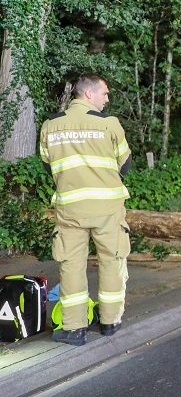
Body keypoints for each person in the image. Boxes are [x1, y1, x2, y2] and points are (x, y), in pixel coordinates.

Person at [39, 73, 132, 346]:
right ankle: (110, 321)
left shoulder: (51, 125)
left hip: (70, 210)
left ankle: (74, 328)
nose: (107, 98)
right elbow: (125, 165)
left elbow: (48, 165)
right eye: (104, 93)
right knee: (112, 260)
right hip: (108, 209)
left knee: (71, 265)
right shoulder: (109, 125)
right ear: (88, 94)